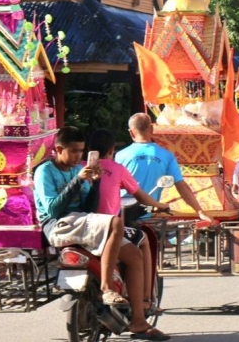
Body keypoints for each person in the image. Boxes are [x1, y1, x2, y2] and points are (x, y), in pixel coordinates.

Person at [34, 126, 168, 341]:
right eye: (74, 151)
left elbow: (89, 207)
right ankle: (107, 287)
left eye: (81, 151)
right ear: (59, 149)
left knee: (134, 255)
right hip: (59, 224)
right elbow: (53, 210)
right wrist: (78, 180)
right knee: (115, 223)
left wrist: (95, 183)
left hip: (81, 221)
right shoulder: (45, 171)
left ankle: (138, 321)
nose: (78, 156)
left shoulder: (76, 168)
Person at [87, 128, 171, 316]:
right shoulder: (117, 169)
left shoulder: (81, 168)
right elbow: (141, 196)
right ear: (111, 150)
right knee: (142, 240)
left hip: (83, 226)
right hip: (106, 227)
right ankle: (145, 301)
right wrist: (161, 205)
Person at [115, 113, 214, 224]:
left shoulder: (120, 156)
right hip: (147, 213)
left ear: (131, 132)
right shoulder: (167, 156)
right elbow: (181, 185)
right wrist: (200, 211)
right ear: (152, 129)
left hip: (121, 214)